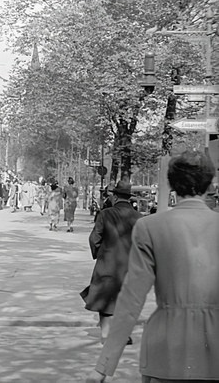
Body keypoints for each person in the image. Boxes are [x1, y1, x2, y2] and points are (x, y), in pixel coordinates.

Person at [87, 150, 219, 383]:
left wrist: (103, 366)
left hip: (165, 347)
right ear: (209, 184)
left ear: (172, 184)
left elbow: (131, 300)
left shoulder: (150, 227)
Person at [80, 180, 141, 344]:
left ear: (114, 196)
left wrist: (99, 253)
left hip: (107, 262)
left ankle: (106, 334)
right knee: (126, 299)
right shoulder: (139, 218)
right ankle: (123, 334)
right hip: (129, 264)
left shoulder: (105, 214)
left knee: (104, 297)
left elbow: (95, 238)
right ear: (129, 198)